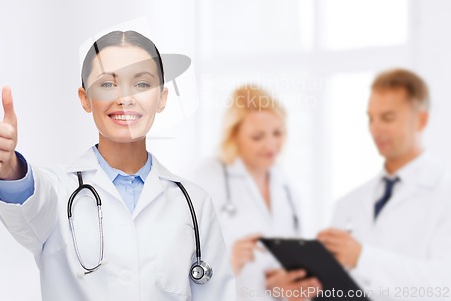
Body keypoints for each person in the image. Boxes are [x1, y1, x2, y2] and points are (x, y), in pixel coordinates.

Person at [0, 30, 236, 301]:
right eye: (107, 84)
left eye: (142, 84)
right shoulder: (58, 191)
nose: (124, 98)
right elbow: (29, 199)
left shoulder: (194, 203)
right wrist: (8, 167)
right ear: (85, 98)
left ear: (162, 98)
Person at [317, 68, 451, 301]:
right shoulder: (348, 203)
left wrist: (363, 258)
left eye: (387, 118)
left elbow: (443, 285)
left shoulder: (443, 194)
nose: (375, 128)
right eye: (371, 118)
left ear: (421, 120)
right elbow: (336, 287)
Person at [193, 85, 321, 301]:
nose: (271, 145)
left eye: (277, 133)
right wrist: (230, 261)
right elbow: (189, 266)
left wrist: (285, 282)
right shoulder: (208, 177)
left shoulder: (286, 186)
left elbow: (285, 264)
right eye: (257, 137)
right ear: (234, 136)